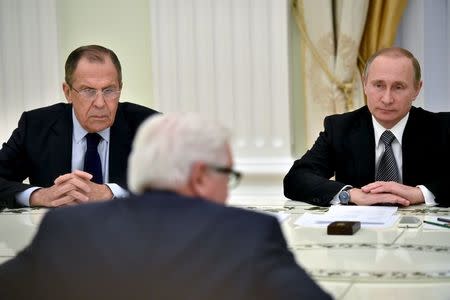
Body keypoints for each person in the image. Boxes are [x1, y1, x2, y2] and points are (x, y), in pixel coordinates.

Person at [0, 113, 331, 300]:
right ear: (200, 176)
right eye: (227, 174)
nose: (227, 192)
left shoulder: (67, 228)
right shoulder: (248, 233)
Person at [284, 47, 450, 207]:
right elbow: (296, 178)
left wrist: (419, 194)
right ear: (365, 84)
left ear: (416, 89)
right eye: (379, 85)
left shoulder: (442, 127)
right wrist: (350, 194)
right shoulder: (340, 128)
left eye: (398, 87)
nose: (387, 99)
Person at [0, 45, 158, 208]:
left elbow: (175, 185)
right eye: (88, 91)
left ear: (120, 89)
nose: (100, 103)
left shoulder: (149, 125)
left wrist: (111, 192)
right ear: (68, 92)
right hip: (60, 231)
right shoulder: (35, 127)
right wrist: (38, 195)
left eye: (109, 90)